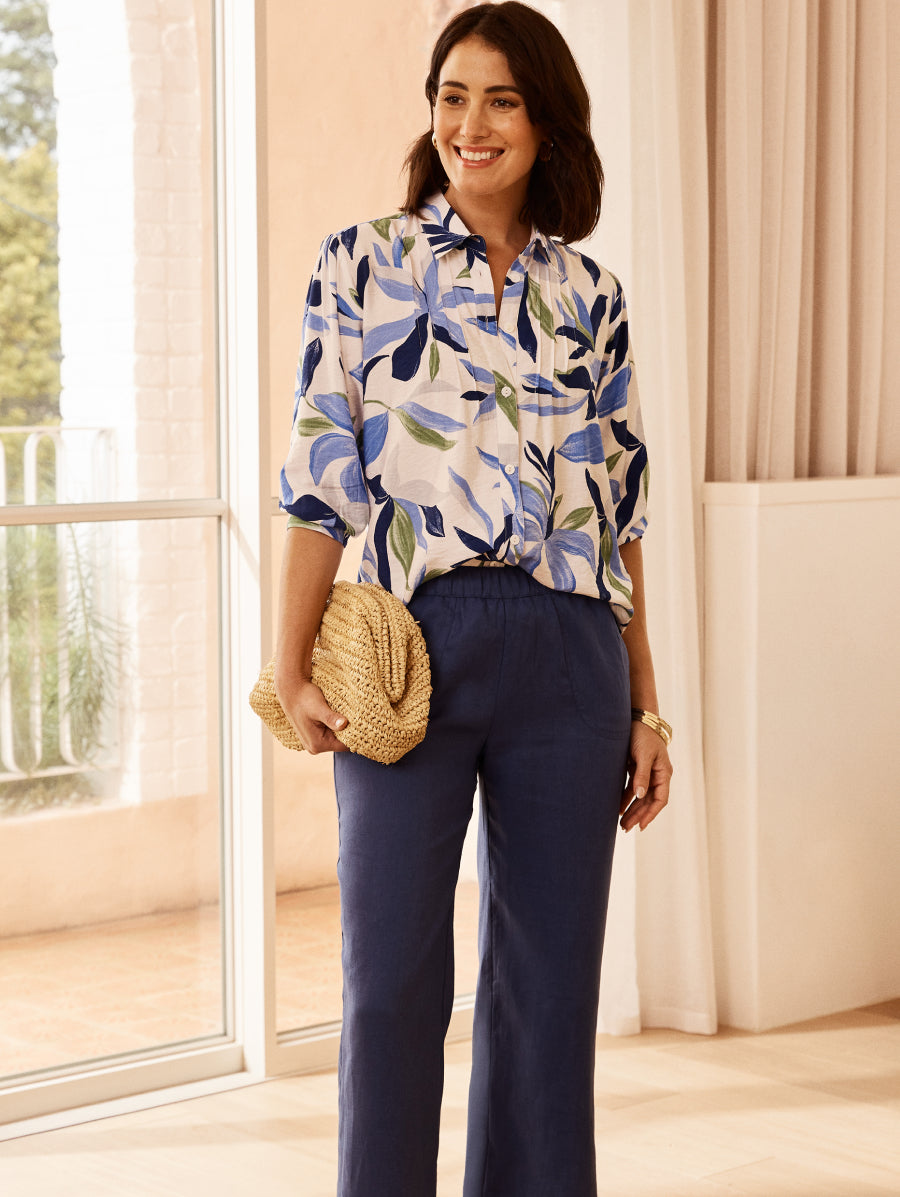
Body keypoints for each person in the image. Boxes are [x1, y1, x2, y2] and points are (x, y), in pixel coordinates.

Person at [275, 3, 673, 1193]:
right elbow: (318, 482)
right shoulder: (361, 265)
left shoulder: (591, 294)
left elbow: (621, 519)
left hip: (570, 655)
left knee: (549, 992)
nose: (472, 122)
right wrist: (288, 665)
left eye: (501, 98)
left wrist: (647, 706)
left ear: (547, 120)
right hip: (412, 647)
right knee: (389, 979)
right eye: (453, 96)